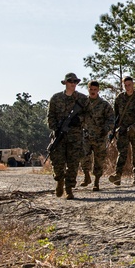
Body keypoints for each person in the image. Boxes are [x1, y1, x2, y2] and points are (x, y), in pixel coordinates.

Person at [46, 72, 89, 200]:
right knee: (57, 162)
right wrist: (56, 127)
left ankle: (69, 188)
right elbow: (50, 117)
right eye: (71, 81)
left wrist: (79, 120)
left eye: (75, 82)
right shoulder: (56, 98)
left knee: (73, 163)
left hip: (75, 137)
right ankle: (59, 180)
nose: (73, 84)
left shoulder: (82, 99)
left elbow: (88, 115)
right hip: (59, 136)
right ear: (65, 83)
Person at [109, 75, 135, 186]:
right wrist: (114, 130)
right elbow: (116, 116)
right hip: (122, 130)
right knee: (122, 153)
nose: (127, 87)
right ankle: (118, 175)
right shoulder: (119, 98)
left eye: (129, 85)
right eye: (125, 85)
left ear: (133, 84)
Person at [80, 80, 114, 191]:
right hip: (86, 135)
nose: (93, 91)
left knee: (99, 160)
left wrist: (106, 128)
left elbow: (111, 119)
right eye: (91, 89)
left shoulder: (104, 105)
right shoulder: (83, 103)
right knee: (84, 156)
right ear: (88, 89)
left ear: (98, 90)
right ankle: (86, 176)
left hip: (99, 136)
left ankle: (96, 182)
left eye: (95, 89)